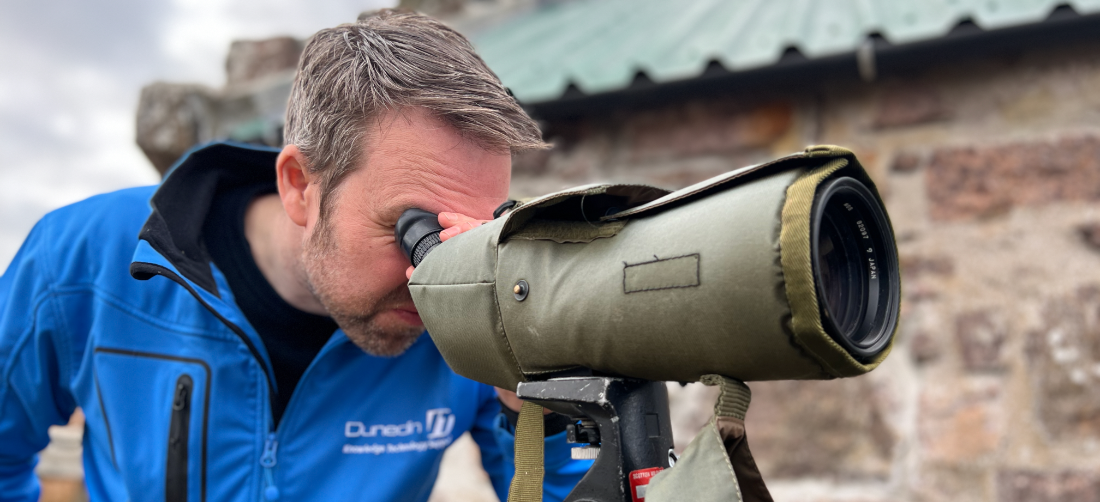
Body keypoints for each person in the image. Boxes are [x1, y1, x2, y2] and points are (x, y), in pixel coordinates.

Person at [0, 9, 589, 502]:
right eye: (413, 230)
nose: (435, 275)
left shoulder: (471, 309)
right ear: (300, 184)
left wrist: (546, 407)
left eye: (475, 236)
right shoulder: (80, 260)